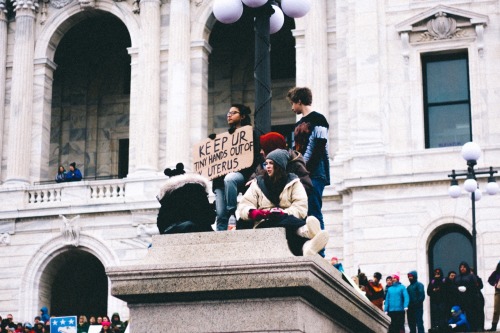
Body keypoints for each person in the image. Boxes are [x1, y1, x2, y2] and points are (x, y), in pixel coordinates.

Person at [237, 149, 329, 256]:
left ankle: (307, 246)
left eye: (271, 163)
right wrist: (255, 213)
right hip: (264, 221)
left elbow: (301, 207)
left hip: (288, 220)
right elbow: (244, 205)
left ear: (279, 165)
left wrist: (283, 212)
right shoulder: (257, 183)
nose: (268, 166)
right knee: (285, 222)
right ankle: (307, 231)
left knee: (287, 224)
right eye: (266, 163)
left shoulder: (294, 182)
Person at [287, 87, 330, 256]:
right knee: (303, 211)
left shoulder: (319, 119)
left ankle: (321, 251)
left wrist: (307, 169)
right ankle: (308, 246)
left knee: (314, 209)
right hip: (301, 174)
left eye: (292, 103)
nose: (292, 108)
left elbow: (320, 145)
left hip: (316, 172)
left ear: (299, 101)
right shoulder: (297, 124)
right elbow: (295, 149)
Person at [211, 104, 262, 231]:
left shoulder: (251, 135)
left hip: (241, 175)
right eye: (228, 113)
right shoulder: (224, 138)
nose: (229, 115)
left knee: (230, 178)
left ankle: (232, 213)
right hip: (220, 180)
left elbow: (255, 157)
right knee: (220, 215)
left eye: (233, 112)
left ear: (243, 116)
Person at [156, 163, 215, 234]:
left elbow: (161, 222)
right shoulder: (197, 188)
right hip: (198, 226)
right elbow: (209, 216)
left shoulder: (169, 194)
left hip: (174, 228)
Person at [454, 261, 481, 332]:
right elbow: (453, 286)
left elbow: (475, 286)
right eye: (461, 267)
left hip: (470, 299)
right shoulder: (457, 276)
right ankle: (461, 328)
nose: (462, 268)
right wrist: (457, 288)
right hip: (459, 299)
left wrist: (467, 288)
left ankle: (472, 328)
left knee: (470, 314)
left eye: (464, 267)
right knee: (459, 315)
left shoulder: (471, 276)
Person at [487, 261, 500, 331]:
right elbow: (489, 280)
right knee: (496, 310)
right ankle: (494, 326)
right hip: (498, 292)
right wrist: (494, 283)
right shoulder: (496, 273)